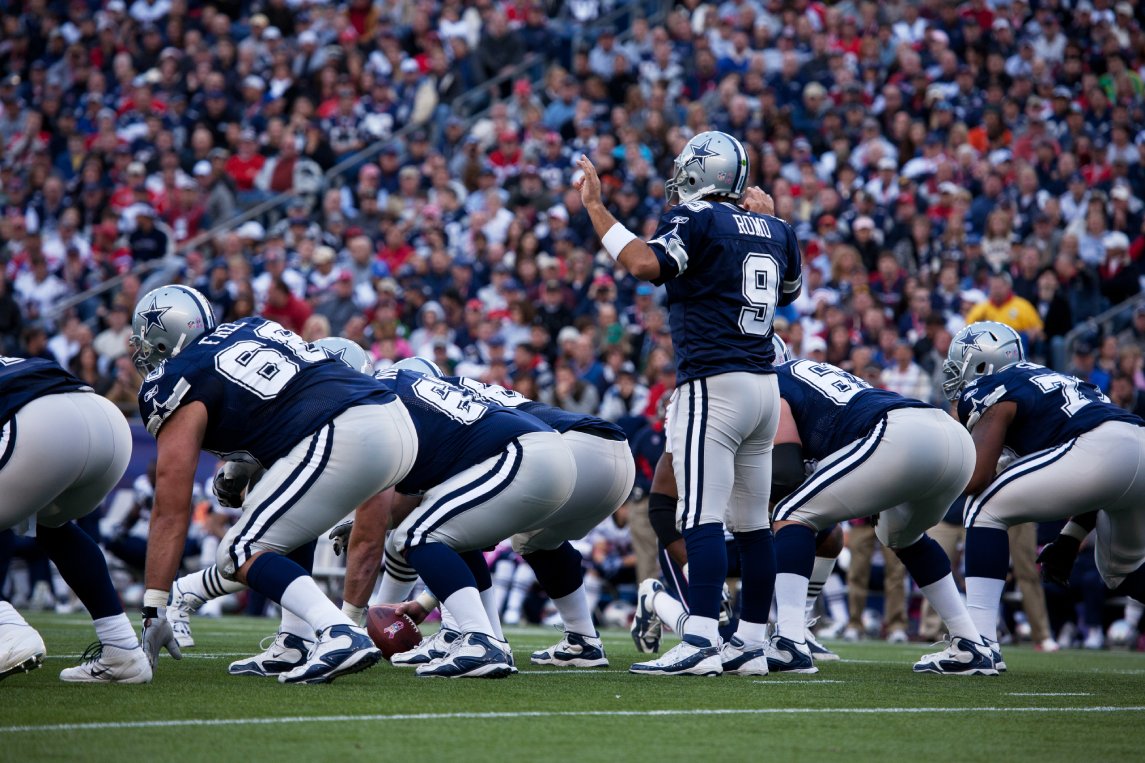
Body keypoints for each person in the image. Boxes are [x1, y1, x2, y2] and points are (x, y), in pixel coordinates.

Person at [575, 130, 801, 676]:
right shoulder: (778, 228)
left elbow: (645, 265)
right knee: (753, 523)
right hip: (765, 386)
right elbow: (790, 291)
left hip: (714, 382)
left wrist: (597, 209)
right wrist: (767, 223)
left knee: (699, 514)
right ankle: (750, 643)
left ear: (702, 172)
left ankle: (699, 637)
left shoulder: (695, 216)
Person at [131, 284, 417, 685]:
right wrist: (244, 465)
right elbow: (280, 410)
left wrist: (155, 605)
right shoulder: (251, 327)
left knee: (239, 549)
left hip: (345, 425)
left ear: (166, 337)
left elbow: (170, 505)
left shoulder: (178, 376)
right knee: (286, 526)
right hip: (393, 420)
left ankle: (338, 632)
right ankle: (295, 641)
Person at [768, 339, 995, 675]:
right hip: (950, 438)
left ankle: (788, 640)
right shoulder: (809, 374)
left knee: (791, 514)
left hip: (900, 435)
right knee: (902, 536)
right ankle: (970, 643)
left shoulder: (773, 383)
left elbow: (786, 473)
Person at [944, 321, 1145, 670]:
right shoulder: (1059, 378)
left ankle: (978, 645)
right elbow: (1103, 477)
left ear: (982, 363)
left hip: (1099, 449)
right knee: (1120, 570)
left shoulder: (993, 385)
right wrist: (1071, 537)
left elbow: (976, 479)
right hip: (1134, 441)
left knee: (983, 505)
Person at [0, 354, 146, 683]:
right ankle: (122, 649)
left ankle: (6, 629)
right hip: (106, 421)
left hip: (39, 425)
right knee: (51, 525)